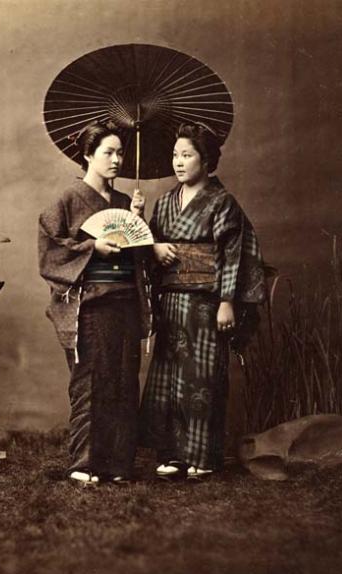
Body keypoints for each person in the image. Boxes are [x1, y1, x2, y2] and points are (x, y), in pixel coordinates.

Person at [139, 123, 265, 480]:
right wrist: (150, 241)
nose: (178, 162)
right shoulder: (164, 203)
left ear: (205, 158)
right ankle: (173, 454)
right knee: (169, 377)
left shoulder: (222, 202)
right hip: (171, 302)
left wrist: (227, 300)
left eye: (187, 155)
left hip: (207, 302)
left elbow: (234, 254)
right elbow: (144, 246)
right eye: (175, 155)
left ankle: (203, 456)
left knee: (203, 377)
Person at [39, 121, 151, 485]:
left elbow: (137, 249)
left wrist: (136, 221)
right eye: (108, 152)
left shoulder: (122, 203)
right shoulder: (67, 201)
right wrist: (93, 248)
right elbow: (51, 252)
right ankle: (83, 464)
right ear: (88, 155)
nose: (117, 159)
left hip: (125, 302)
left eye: (121, 152)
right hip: (90, 305)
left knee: (123, 381)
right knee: (90, 382)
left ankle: (119, 465)